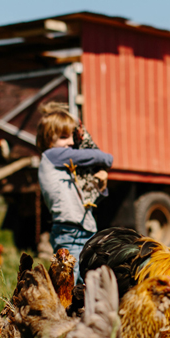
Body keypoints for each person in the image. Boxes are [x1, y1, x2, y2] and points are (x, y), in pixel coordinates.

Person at [37, 104, 113, 284]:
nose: (71, 142)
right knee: (70, 279)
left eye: (72, 136)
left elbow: (85, 198)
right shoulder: (51, 156)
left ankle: (78, 311)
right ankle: (66, 311)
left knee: (83, 279)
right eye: (64, 137)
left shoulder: (64, 168)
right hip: (69, 230)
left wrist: (101, 186)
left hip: (83, 228)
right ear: (49, 139)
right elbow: (93, 157)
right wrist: (107, 159)